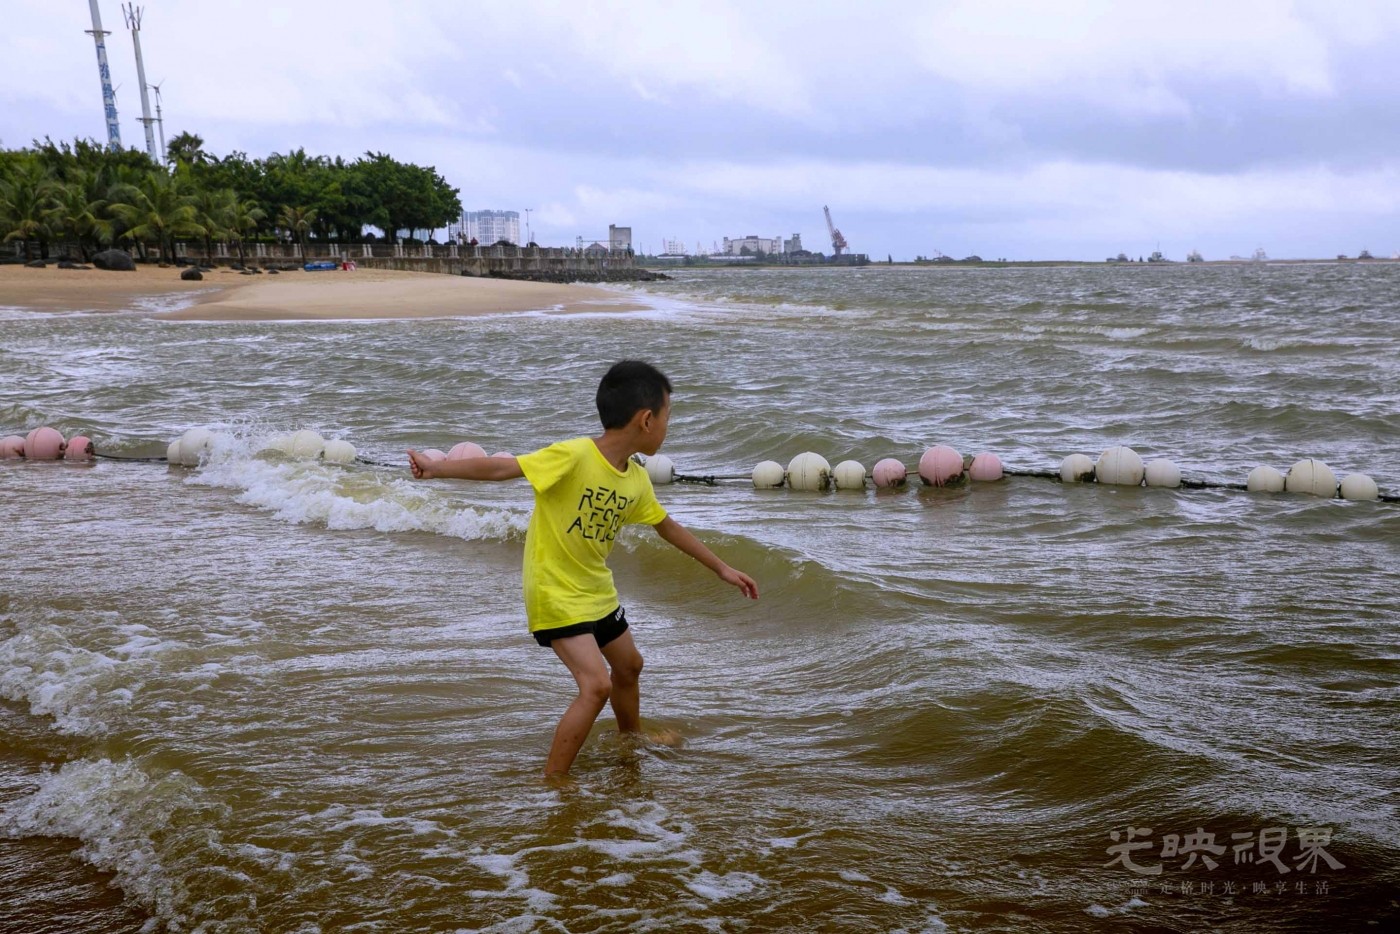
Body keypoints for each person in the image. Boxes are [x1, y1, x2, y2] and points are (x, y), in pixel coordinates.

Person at [407, 360, 759, 776]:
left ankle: (630, 743)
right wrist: (437, 467)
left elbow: (665, 526)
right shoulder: (573, 455)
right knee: (596, 685)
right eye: (668, 417)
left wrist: (721, 568)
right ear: (647, 420)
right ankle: (555, 782)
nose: (668, 427)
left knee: (629, 666)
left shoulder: (635, 479)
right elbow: (505, 467)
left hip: (595, 589)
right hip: (555, 590)